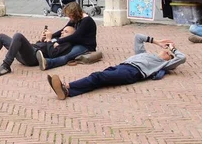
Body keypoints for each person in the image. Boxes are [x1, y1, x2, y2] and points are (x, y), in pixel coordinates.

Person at [48, 34, 186, 100]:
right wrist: (157, 42)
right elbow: (138, 37)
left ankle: (67, 86)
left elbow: (182, 58)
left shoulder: (163, 65)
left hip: (132, 72)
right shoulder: (143, 54)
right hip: (122, 66)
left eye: (168, 52)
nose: (165, 50)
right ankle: (68, 93)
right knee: (98, 81)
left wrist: (173, 50)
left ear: (169, 59)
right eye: (166, 49)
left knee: (97, 76)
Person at [0, 25, 77, 76]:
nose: (62, 33)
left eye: (66, 32)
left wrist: (49, 40)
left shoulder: (67, 44)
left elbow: (53, 54)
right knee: (1, 36)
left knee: (18, 36)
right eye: (63, 31)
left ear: (72, 35)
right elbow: (41, 45)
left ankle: (6, 66)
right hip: (29, 51)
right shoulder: (57, 39)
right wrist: (42, 40)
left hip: (33, 57)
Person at [36, 2, 97, 71]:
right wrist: (50, 36)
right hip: (76, 42)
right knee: (62, 50)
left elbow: (76, 36)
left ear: (75, 14)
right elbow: (62, 30)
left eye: (70, 16)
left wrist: (58, 41)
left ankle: (48, 63)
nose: (69, 18)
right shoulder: (75, 18)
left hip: (85, 46)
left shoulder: (87, 21)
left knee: (67, 56)